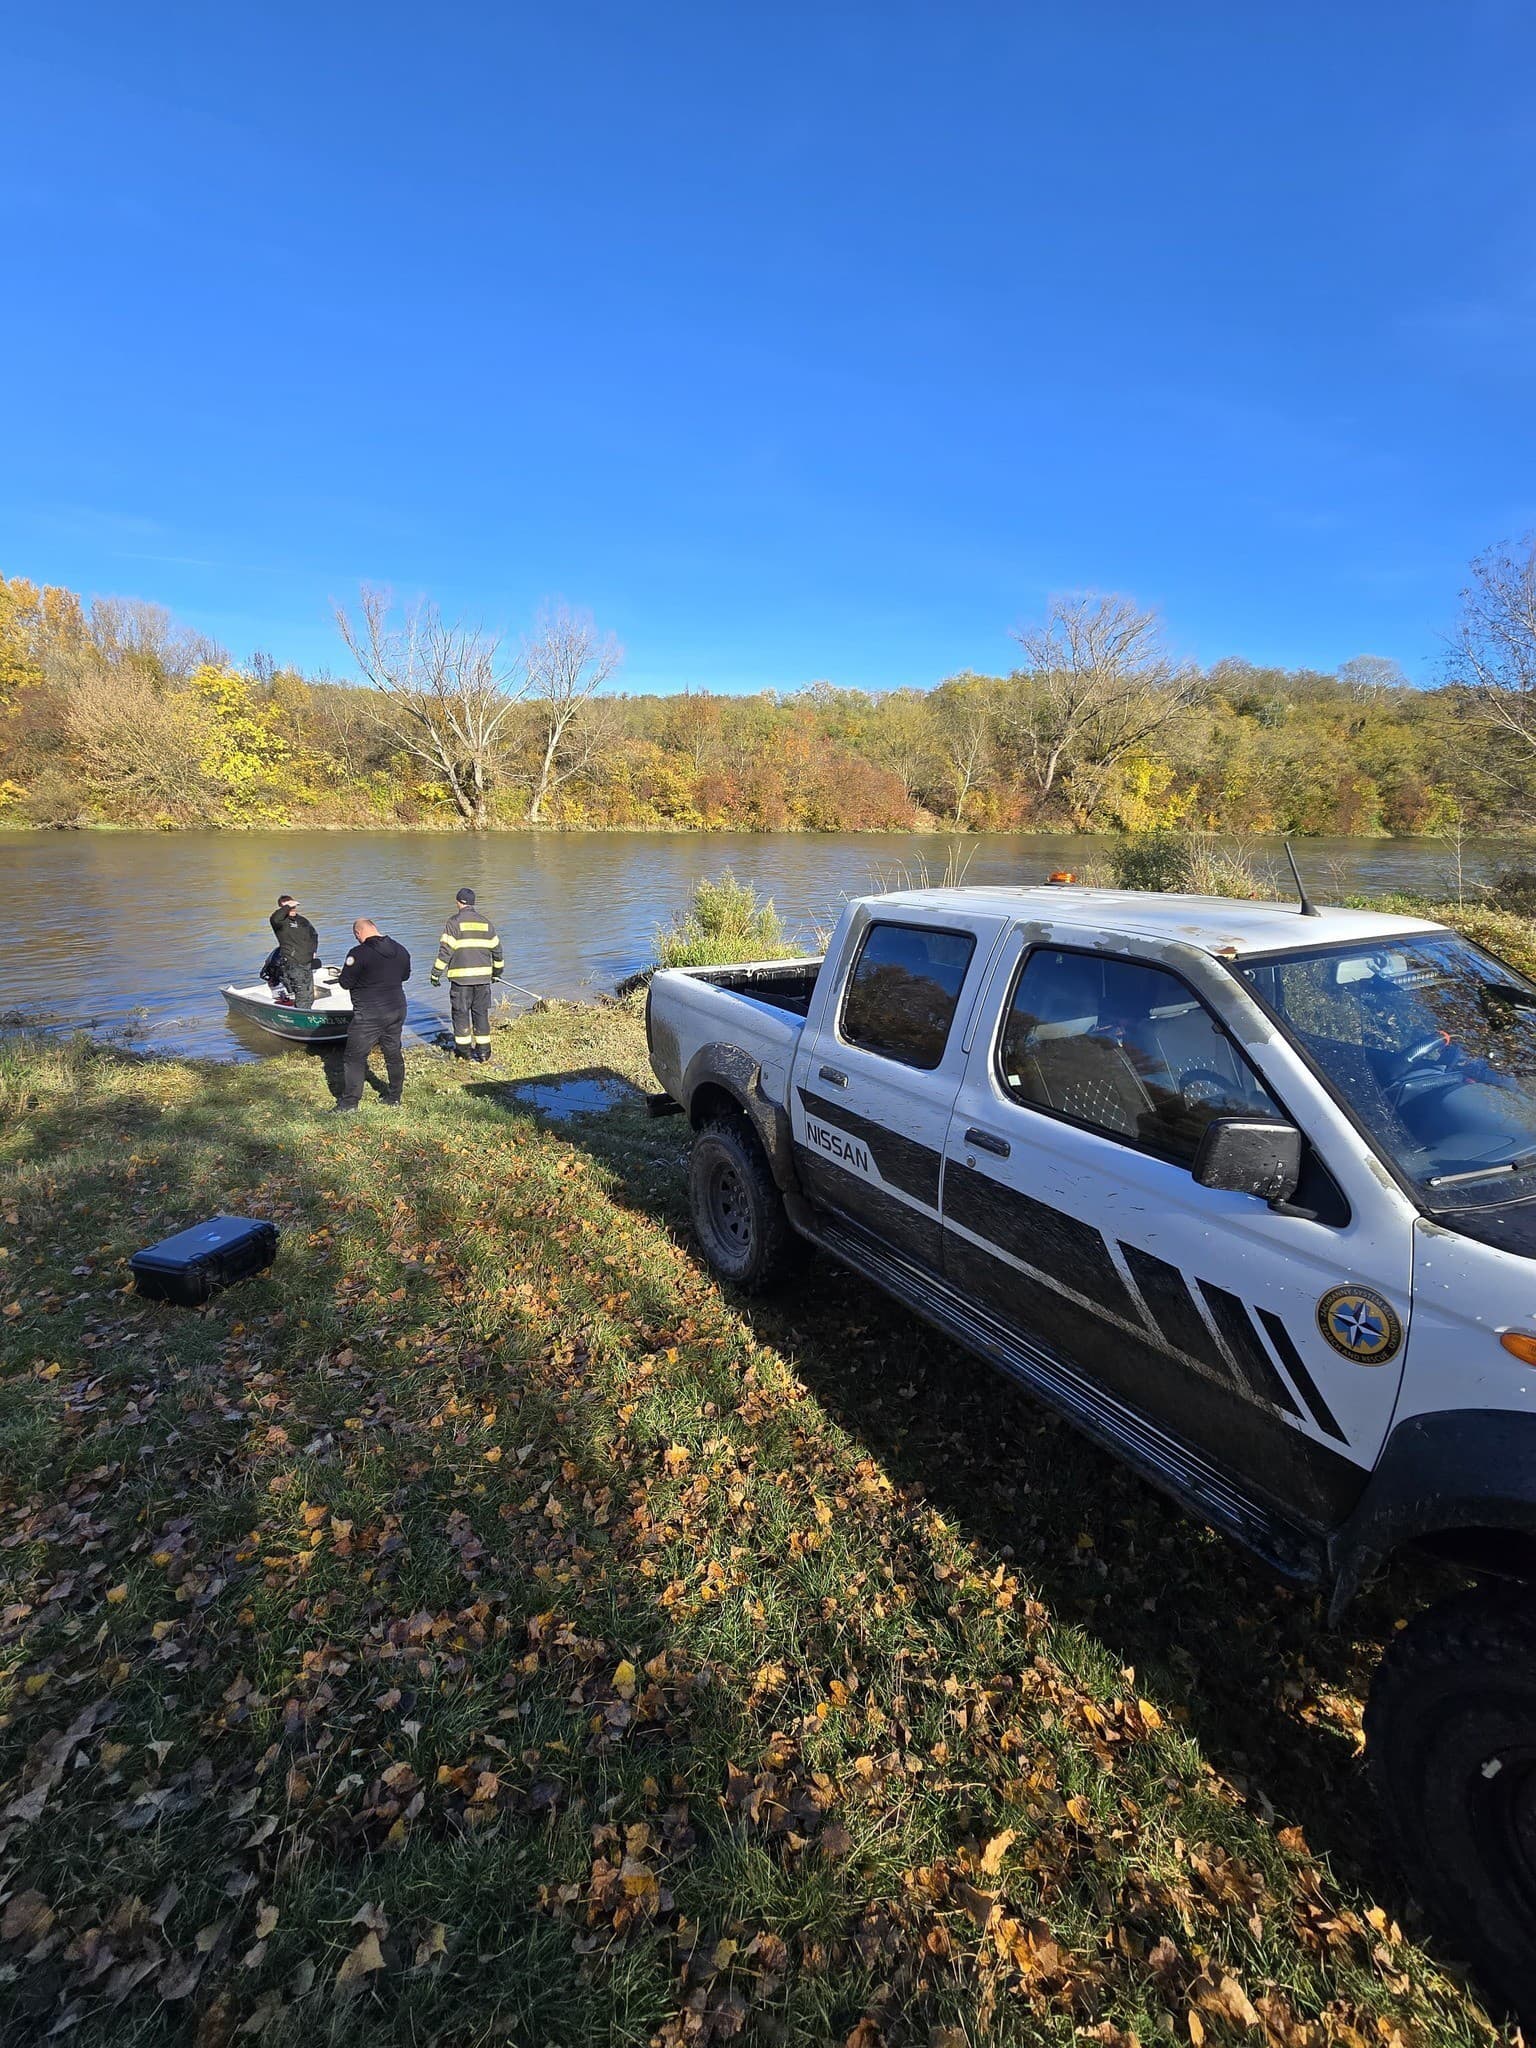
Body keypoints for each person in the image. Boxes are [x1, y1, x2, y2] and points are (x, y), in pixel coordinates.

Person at [333, 918, 411, 1112]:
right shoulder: (401, 949)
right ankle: (394, 1097)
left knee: (354, 1057)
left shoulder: (358, 954)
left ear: (358, 934)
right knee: (392, 1053)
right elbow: (405, 976)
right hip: (396, 1009)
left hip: (370, 1013)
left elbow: (345, 982)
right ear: (375, 928)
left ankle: (349, 1104)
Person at [429, 887, 503, 1063]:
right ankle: (484, 1053)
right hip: (483, 979)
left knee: (461, 1013)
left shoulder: (454, 923)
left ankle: (464, 1052)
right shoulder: (486, 923)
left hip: (461, 981)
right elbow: (497, 951)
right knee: (481, 1014)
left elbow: (445, 951)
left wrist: (435, 973)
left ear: (458, 902)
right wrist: (497, 972)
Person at [269, 894, 320, 1007]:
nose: (292, 909)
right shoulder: (279, 922)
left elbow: (313, 935)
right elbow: (275, 918)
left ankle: (306, 1013)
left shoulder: (302, 920)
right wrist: (287, 907)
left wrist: (313, 951)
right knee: (302, 995)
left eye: (293, 906)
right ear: (282, 908)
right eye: (288, 907)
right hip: (293, 962)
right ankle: (303, 1019)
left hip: (307, 962)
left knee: (309, 995)